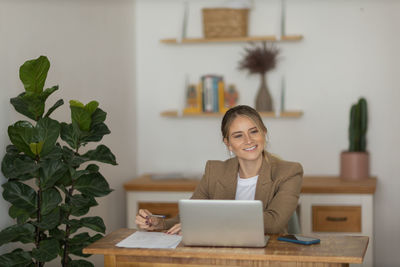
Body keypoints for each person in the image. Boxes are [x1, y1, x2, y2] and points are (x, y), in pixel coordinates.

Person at [135, 105, 303, 235]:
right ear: (228, 143)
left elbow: (273, 223)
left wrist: (206, 222)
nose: (248, 140)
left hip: (267, 257)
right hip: (220, 255)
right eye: (238, 135)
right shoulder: (214, 171)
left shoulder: (289, 172)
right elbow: (188, 218)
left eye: (254, 132)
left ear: (264, 134)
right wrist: (159, 223)